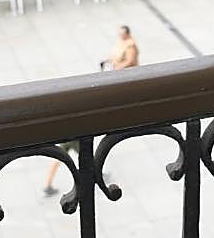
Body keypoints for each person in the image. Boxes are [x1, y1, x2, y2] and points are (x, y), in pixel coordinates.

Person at [43, 26, 142, 195]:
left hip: (68, 135)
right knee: (85, 156)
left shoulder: (130, 46)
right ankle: (95, 175)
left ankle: (49, 183)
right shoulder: (122, 43)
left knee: (66, 157)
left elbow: (130, 62)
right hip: (73, 136)